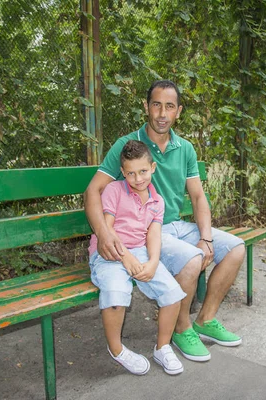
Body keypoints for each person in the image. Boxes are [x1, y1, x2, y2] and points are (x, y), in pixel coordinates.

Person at [84, 80, 246, 362]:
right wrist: (103, 232)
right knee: (192, 259)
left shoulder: (185, 148)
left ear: (178, 111)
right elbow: (93, 191)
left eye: (169, 106)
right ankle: (181, 329)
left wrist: (206, 237)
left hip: (178, 226)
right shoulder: (128, 145)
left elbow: (197, 197)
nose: (162, 113)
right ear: (146, 107)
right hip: (149, 229)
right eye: (156, 105)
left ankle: (205, 320)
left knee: (236, 248)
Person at [87, 139, 187, 375]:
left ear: (152, 168)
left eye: (143, 171)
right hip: (109, 251)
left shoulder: (157, 201)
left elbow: (153, 234)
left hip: (140, 251)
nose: (138, 179)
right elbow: (107, 231)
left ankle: (162, 347)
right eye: (131, 173)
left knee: (173, 293)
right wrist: (125, 258)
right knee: (116, 294)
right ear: (122, 172)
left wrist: (153, 261)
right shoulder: (114, 190)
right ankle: (117, 349)